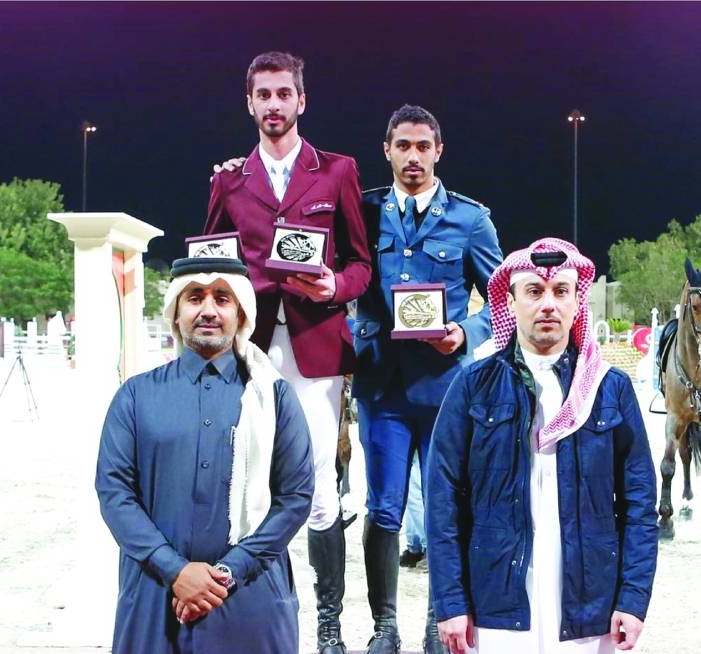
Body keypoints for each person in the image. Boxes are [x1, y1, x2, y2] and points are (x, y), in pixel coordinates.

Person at [204, 51, 371, 654]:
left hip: (315, 349)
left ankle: (329, 622)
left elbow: (361, 265)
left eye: (284, 94)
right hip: (245, 350)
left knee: (320, 485)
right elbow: (211, 265)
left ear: (301, 100)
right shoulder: (227, 179)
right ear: (249, 103)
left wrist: (335, 286)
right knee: (245, 483)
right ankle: (253, 612)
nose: (274, 104)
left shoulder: (338, 171)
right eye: (264, 95)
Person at [426, 238, 659, 654]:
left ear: (577, 302)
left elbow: (640, 503)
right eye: (534, 291)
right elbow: (442, 501)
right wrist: (449, 603)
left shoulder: (609, 389)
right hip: (497, 604)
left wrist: (633, 599)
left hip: (590, 607)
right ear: (510, 302)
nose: (548, 304)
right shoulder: (473, 386)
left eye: (560, 292)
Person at [95, 251, 314, 653]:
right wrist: (174, 569)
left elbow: (295, 498)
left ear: (242, 315)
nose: (208, 310)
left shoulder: (273, 397)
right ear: (176, 313)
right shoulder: (136, 396)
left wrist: (228, 573)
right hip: (156, 597)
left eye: (222, 299)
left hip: (251, 596)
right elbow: (114, 492)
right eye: (195, 298)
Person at [353, 104, 503, 654]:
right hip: (381, 388)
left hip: (446, 391)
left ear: (439, 152)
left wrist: (465, 331)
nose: (412, 157)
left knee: (445, 509)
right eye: (403, 146)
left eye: (423, 147)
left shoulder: (471, 219)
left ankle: (440, 626)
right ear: (386, 150)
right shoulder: (362, 213)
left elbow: (505, 298)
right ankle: (384, 629)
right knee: (384, 509)